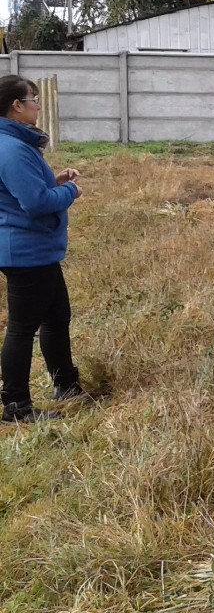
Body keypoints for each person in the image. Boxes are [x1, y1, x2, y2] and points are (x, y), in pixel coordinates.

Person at [0, 74, 86, 424]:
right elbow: (35, 203)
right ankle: (16, 406)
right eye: (33, 99)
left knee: (56, 317)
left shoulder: (14, 143)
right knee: (22, 327)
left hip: (36, 249)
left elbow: (24, 190)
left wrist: (56, 181)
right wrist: (71, 193)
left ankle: (65, 384)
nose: (38, 105)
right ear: (17, 106)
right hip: (26, 251)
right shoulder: (11, 148)